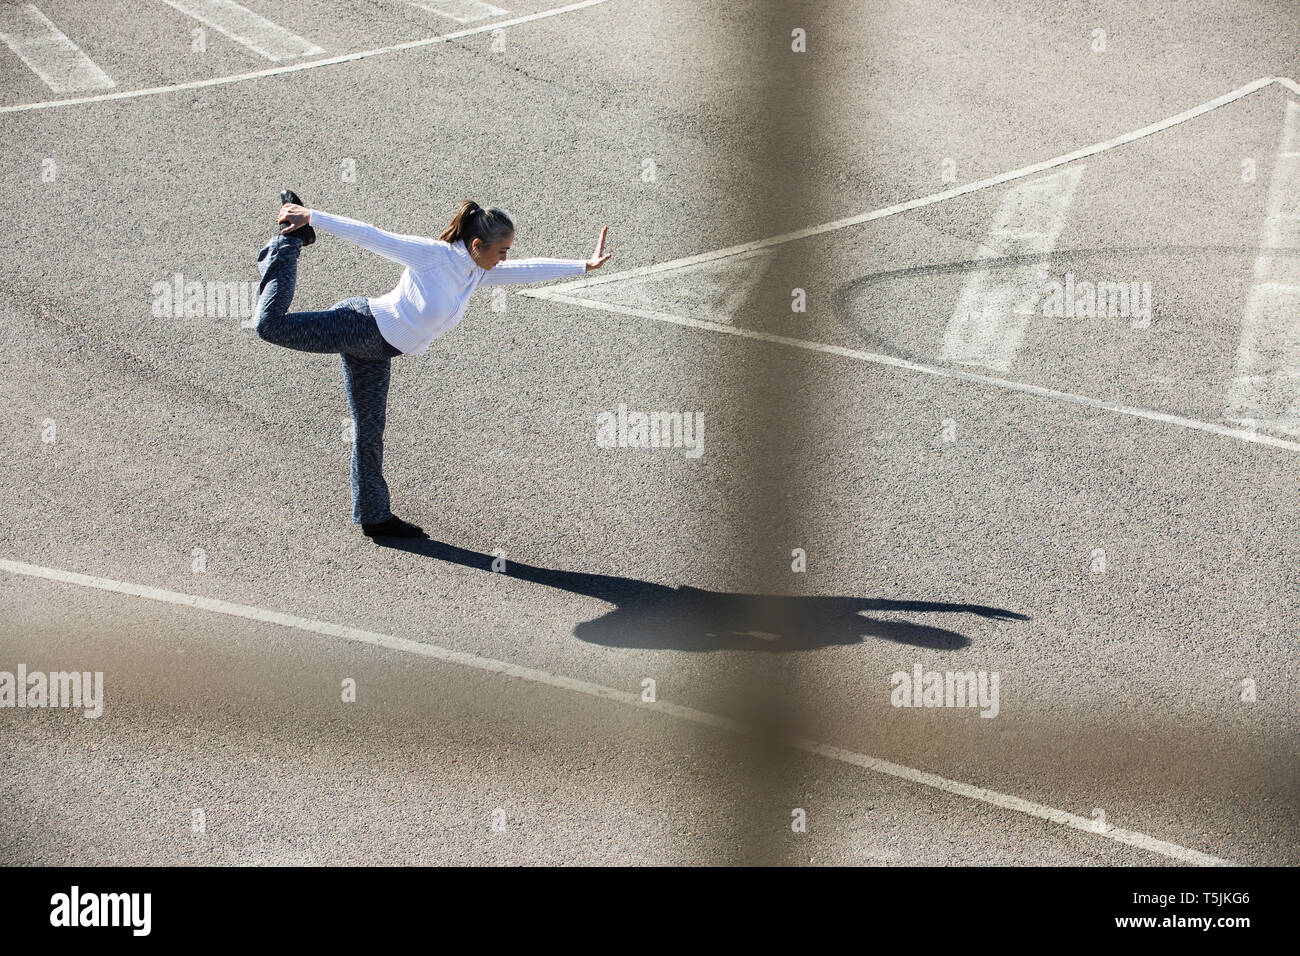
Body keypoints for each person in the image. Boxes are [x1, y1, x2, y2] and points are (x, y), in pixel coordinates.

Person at [253, 189, 612, 538]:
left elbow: (527, 269)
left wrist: (583, 266)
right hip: (359, 325)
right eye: (501, 251)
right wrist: (312, 217)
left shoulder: (477, 271)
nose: (504, 259)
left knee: (368, 430)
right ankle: (290, 242)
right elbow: (371, 235)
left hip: (378, 350)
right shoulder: (434, 256)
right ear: (477, 246)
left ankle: (374, 516)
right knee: (269, 326)